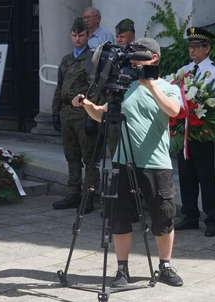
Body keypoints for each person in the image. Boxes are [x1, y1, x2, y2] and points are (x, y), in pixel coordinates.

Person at [78, 38, 185, 288]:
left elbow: (174, 111)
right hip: (123, 161)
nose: (134, 61)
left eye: (139, 57)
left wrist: (150, 85)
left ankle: (165, 266)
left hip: (156, 163)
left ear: (154, 58)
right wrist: (86, 104)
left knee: (163, 216)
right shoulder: (124, 86)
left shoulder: (168, 87)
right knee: (119, 217)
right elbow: (102, 115)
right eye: (132, 57)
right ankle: (122, 269)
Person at [173, 26, 215, 237]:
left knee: (207, 177)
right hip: (185, 131)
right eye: (190, 46)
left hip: (204, 131)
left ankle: (212, 219)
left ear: (207, 48)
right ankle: (190, 215)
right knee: (186, 175)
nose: (192, 50)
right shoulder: (185, 70)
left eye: (197, 47)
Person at [51, 17, 99, 213]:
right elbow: (59, 87)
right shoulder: (66, 60)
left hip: (83, 113)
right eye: (74, 35)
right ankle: (73, 193)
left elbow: (96, 89)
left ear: (88, 36)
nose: (77, 39)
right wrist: (55, 111)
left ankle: (89, 197)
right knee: (71, 155)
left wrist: (92, 117)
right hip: (67, 113)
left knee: (89, 158)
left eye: (81, 35)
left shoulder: (93, 59)